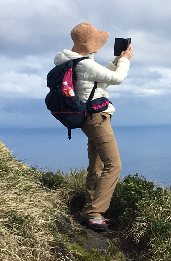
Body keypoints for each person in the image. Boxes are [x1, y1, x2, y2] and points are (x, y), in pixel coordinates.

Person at [54, 23, 133, 231]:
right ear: (88, 42)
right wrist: (124, 61)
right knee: (114, 165)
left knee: (96, 165)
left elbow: (98, 83)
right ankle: (94, 213)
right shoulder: (85, 64)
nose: (99, 45)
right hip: (98, 118)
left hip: (89, 117)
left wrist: (115, 62)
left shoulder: (75, 62)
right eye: (96, 41)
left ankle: (89, 210)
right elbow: (117, 79)